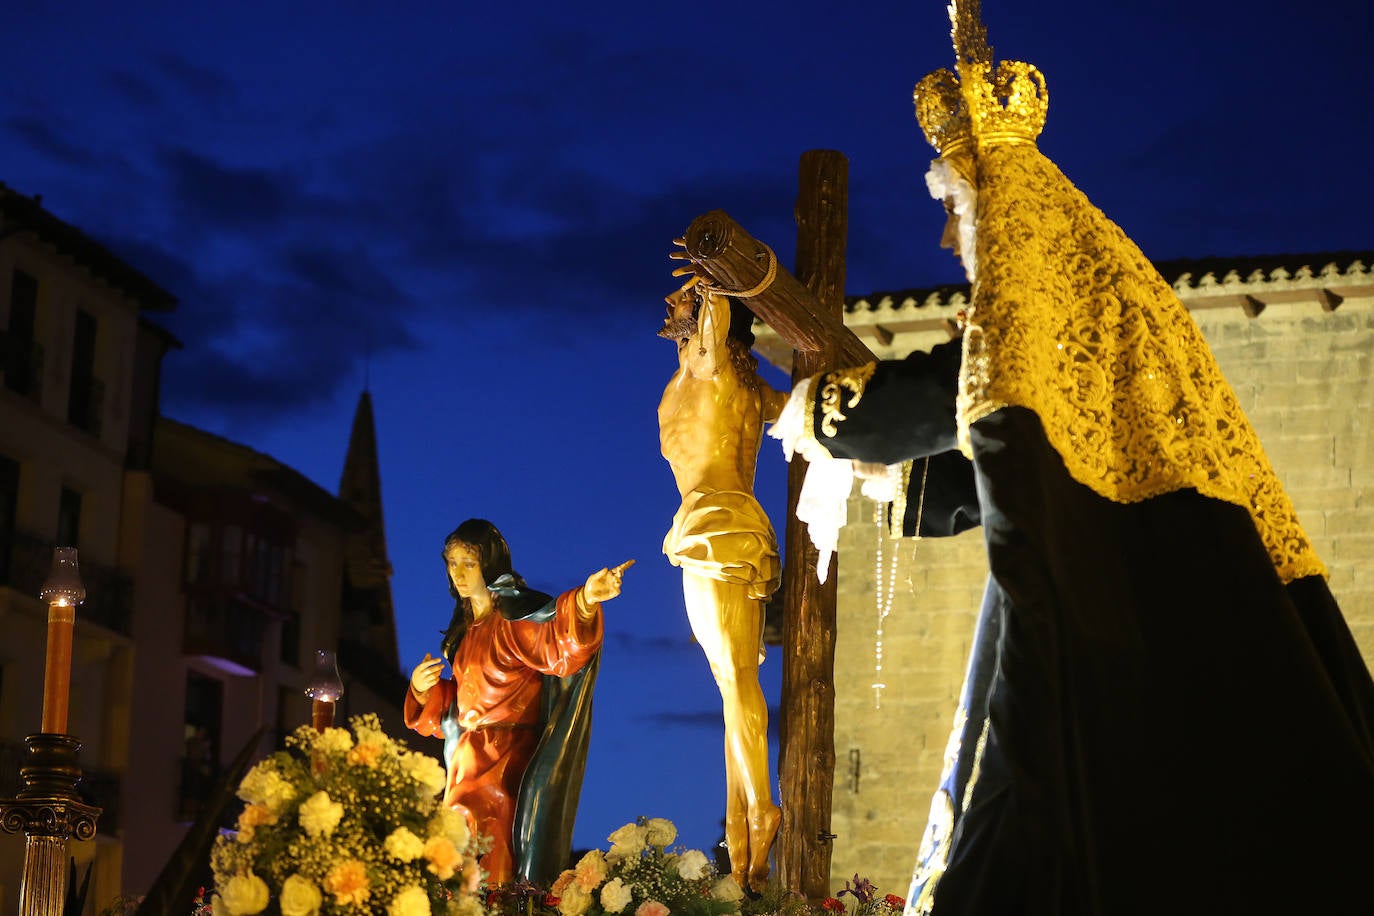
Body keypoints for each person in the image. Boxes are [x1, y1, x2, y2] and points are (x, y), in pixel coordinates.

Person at [770, 10, 1374, 915]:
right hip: (1161, 569)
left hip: (1133, 599)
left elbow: (973, 391)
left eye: (952, 208)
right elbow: (1048, 459)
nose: (947, 239)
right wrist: (901, 479)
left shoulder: (1060, 291)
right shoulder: (1113, 287)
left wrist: (819, 414)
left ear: (994, 202)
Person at [405, 518, 633, 886]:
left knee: (494, 858)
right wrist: (421, 691)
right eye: (453, 563)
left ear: (489, 565)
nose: (459, 573)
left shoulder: (512, 620)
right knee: (454, 864)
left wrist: (587, 600)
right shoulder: (464, 633)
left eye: (469, 563)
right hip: (465, 761)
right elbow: (458, 708)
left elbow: (559, 648)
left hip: (505, 761)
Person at [658, 277, 786, 892]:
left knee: (736, 680)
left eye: (682, 299)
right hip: (719, 531)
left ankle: (761, 808)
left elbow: (711, 329)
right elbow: (799, 409)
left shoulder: (711, 369)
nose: (671, 303)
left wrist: (715, 278)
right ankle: (739, 825)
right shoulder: (737, 386)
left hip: (717, 530)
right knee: (732, 686)